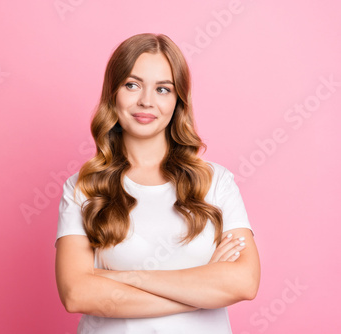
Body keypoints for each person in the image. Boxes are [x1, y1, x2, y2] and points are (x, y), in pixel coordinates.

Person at [54, 33, 260, 334]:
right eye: (132, 85)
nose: (146, 101)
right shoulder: (83, 187)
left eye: (163, 89)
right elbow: (77, 294)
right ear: (113, 92)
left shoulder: (216, 182)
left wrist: (122, 278)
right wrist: (202, 290)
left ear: (178, 100)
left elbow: (243, 282)